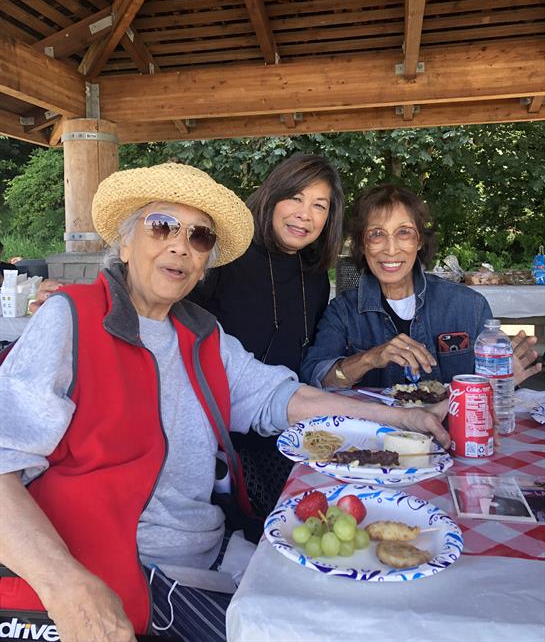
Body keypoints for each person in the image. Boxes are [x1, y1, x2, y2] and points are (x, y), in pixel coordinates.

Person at [0, 163, 450, 642]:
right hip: (125, 569)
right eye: (162, 226)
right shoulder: (71, 318)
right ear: (126, 244)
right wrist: (65, 586)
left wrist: (400, 417)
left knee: (362, 608)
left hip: (208, 549)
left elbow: (282, 396)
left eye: (199, 237)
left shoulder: (201, 334)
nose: (180, 245)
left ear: (205, 262)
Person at [190, 153, 344, 515]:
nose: (305, 214)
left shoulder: (315, 277)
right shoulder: (225, 257)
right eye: (295, 198)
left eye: (319, 205)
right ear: (272, 197)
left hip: (287, 429)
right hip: (221, 436)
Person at [300, 184, 542, 389]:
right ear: (363, 245)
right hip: (376, 431)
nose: (391, 249)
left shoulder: (469, 306)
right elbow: (318, 378)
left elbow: (489, 388)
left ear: (419, 241)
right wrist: (369, 358)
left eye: (404, 233)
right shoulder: (343, 311)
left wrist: (502, 383)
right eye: (376, 234)